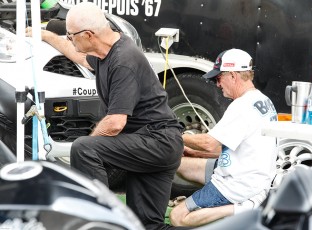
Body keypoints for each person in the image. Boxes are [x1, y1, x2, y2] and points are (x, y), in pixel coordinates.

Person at [26, 2, 186, 230]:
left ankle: (99, 221)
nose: (69, 39)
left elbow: (114, 123)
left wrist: (92, 141)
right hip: (155, 143)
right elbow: (78, 56)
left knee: (84, 149)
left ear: (89, 35)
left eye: (71, 35)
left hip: (157, 143)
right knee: (148, 225)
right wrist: (46, 35)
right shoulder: (106, 49)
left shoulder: (123, 60)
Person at [169, 48, 278, 227]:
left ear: (233, 76)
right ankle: (244, 204)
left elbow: (209, 143)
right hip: (254, 178)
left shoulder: (241, 106)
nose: (218, 84)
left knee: (177, 216)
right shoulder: (263, 100)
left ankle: (240, 209)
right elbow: (238, 147)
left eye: (219, 78)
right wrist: (197, 154)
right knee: (181, 165)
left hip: (237, 186)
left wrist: (175, 136)